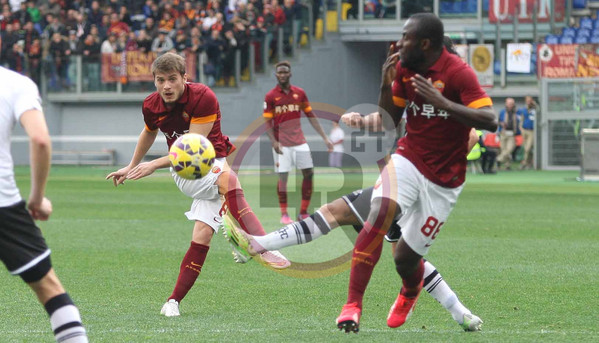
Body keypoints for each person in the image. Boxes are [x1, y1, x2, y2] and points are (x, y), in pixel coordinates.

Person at [335, 13, 497, 332]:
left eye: (406, 37)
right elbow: (387, 121)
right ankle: (352, 306)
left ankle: (410, 290)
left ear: (425, 43)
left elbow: (489, 120)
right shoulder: (406, 71)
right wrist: (385, 83)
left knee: (405, 260)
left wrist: (443, 102)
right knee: (379, 215)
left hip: (444, 182)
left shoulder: (458, 73)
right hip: (409, 159)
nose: (399, 42)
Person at [106, 52, 290, 318]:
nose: (166, 86)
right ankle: (261, 244)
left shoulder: (203, 97)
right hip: (186, 172)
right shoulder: (151, 104)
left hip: (206, 159)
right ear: (154, 82)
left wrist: (152, 165)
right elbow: (149, 131)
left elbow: (193, 147)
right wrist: (133, 164)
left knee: (202, 235)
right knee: (229, 180)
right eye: (160, 80)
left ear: (184, 78)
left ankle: (172, 301)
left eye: (172, 79)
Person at [0, 63, 88, 342]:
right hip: (4, 206)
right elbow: (39, 140)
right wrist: (36, 199)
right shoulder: (15, 84)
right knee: (49, 289)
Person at [263, 61, 334, 224]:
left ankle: (303, 212)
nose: (282, 75)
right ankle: (284, 214)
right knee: (283, 178)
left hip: (299, 141)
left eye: (284, 72)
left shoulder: (299, 93)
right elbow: (267, 122)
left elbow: (311, 116)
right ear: (276, 75)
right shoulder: (271, 96)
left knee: (309, 173)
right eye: (279, 73)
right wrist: (273, 142)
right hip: (281, 144)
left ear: (290, 74)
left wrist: (325, 138)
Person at [496, 97, 520, 170]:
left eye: (512, 103)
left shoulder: (517, 112)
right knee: (504, 150)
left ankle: (498, 159)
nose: (510, 105)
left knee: (509, 149)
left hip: (512, 133)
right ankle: (507, 165)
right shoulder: (502, 112)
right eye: (509, 103)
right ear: (506, 104)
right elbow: (498, 122)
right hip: (503, 133)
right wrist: (501, 124)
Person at [519, 96, 536, 170]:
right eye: (527, 100)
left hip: (532, 131)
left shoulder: (535, 108)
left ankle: (524, 163)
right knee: (525, 148)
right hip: (524, 130)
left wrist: (534, 104)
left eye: (530, 100)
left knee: (528, 148)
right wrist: (521, 128)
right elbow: (521, 119)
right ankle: (529, 163)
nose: (528, 102)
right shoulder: (524, 109)